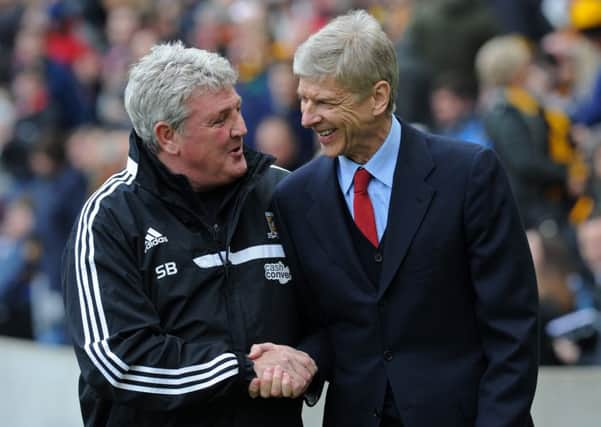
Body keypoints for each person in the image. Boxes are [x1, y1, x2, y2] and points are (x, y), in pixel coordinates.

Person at [269, 10, 539, 427]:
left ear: (378, 96)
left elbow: (512, 324)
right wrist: (296, 359)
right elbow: (319, 326)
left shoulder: (469, 174)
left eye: (324, 102)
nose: (307, 118)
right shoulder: (294, 197)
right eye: (304, 100)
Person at [61, 41, 316, 427]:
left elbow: (338, 313)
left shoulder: (286, 194)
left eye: (238, 110)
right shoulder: (108, 219)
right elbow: (117, 361)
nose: (241, 129)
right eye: (219, 120)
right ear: (167, 137)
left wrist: (304, 364)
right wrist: (242, 371)